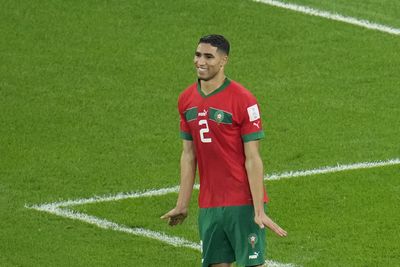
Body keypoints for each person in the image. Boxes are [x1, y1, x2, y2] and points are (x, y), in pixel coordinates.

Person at [161, 34, 287, 267]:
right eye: (198, 55)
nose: (201, 61)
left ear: (223, 60)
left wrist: (258, 210)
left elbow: (253, 158)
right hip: (209, 203)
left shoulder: (243, 100)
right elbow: (189, 155)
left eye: (209, 56)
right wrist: (182, 204)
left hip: (242, 202)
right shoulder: (186, 100)